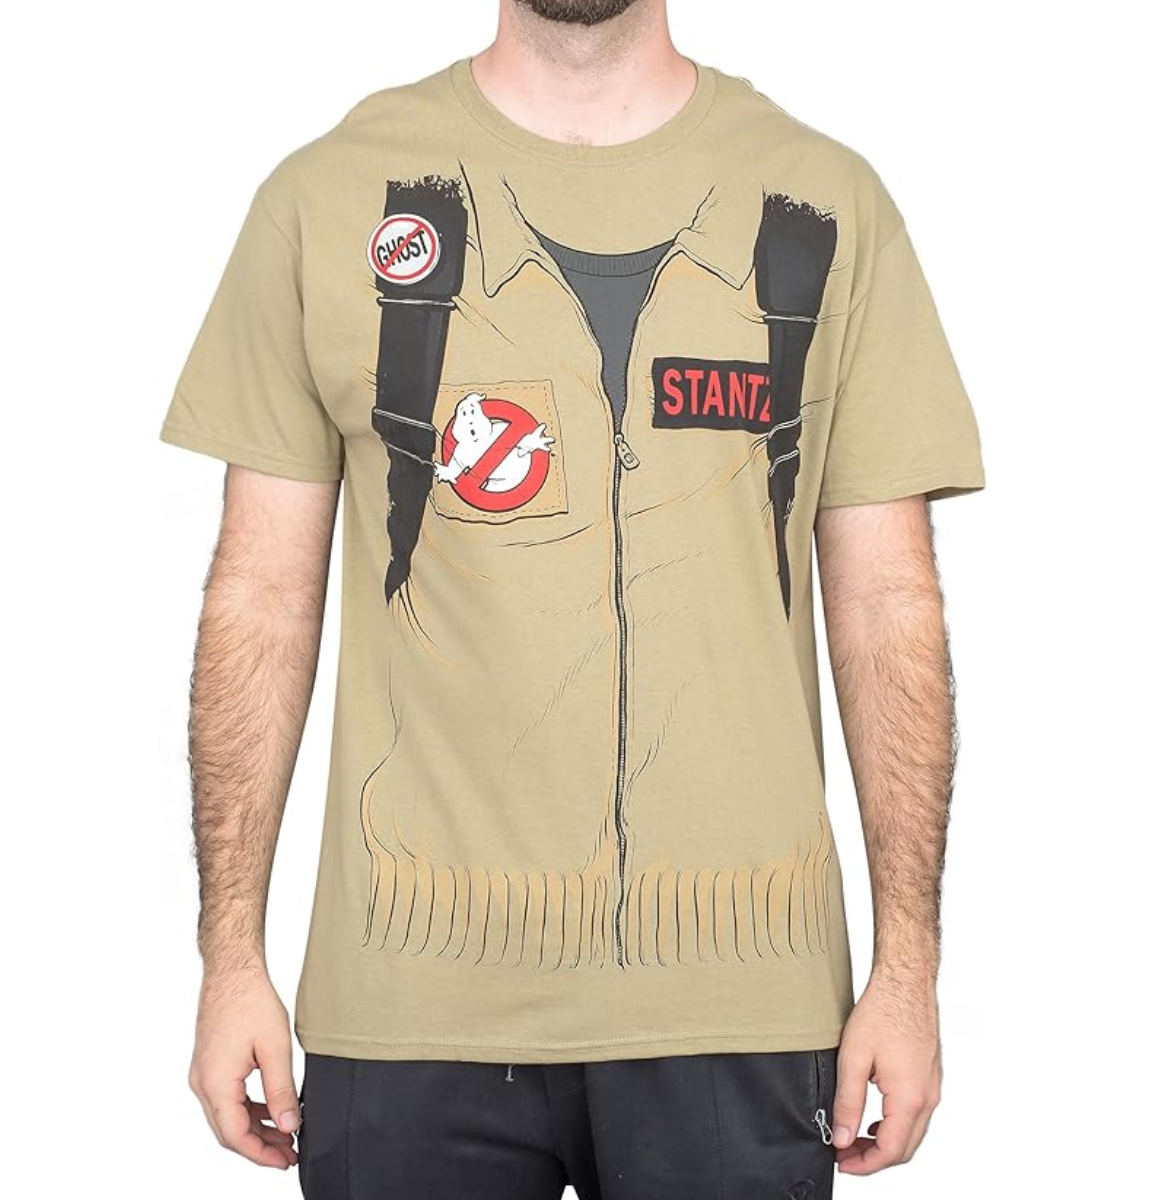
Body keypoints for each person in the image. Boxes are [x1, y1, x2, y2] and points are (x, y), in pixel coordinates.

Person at [160, 1, 985, 1196]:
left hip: (739, 998)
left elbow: (888, 608)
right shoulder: (330, 199)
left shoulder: (823, 204)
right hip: (409, 995)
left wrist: (907, 973)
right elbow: (260, 600)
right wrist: (229, 955)